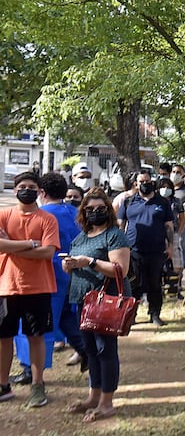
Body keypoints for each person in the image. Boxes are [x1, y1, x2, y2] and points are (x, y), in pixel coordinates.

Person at [61, 188, 130, 423]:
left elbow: (120, 269)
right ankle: (93, 397)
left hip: (105, 301)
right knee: (90, 350)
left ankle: (106, 403)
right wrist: (70, 265)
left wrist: (89, 261)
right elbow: (77, 261)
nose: (94, 212)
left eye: (100, 208)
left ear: (108, 210)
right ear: (83, 211)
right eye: (89, 209)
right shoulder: (82, 235)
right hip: (83, 300)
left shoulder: (114, 235)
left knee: (105, 350)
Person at [11, 172, 86, 387]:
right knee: (65, 316)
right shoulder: (76, 213)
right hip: (71, 271)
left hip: (44, 272)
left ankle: (29, 368)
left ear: (41, 192)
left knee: (34, 323)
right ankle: (85, 350)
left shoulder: (40, 215)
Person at [0, 172, 60, 407]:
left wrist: (9, 247)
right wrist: (29, 244)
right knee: (4, 338)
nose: (27, 189)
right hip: (6, 286)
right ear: (15, 190)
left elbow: (48, 252)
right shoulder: (4, 215)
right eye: (22, 186)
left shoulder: (47, 219)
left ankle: (38, 385)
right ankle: (3, 385)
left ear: (39, 191)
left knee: (36, 337)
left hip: (38, 287)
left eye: (31, 186)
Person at [117, 171, 174, 326]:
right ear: (136, 183)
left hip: (156, 251)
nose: (145, 184)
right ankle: (131, 316)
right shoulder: (128, 202)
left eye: (147, 180)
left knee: (155, 284)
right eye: (142, 181)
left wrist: (171, 246)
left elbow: (168, 226)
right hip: (133, 251)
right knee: (134, 285)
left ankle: (155, 314)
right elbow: (120, 225)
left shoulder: (162, 202)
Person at [157, 177, 185, 298]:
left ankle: (176, 288)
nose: (165, 189)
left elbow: (182, 218)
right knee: (159, 263)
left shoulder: (176, 201)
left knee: (177, 262)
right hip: (158, 235)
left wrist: (178, 232)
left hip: (173, 234)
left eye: (168, 187)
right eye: (163, 187)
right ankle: (161, 289)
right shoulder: (155, 201)